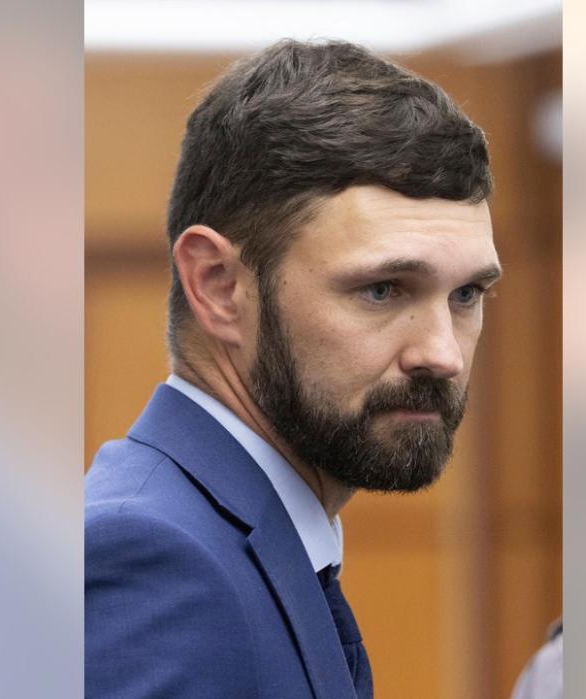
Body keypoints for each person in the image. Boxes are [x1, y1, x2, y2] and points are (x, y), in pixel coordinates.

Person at [85, 38, 499, 698]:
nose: (443, 353)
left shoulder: (243, 545)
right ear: (219, 285)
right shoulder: (154, 563)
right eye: (384, 288)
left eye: (466, 295)